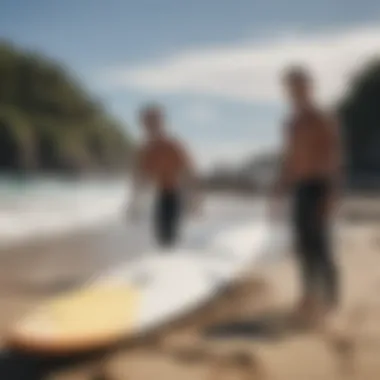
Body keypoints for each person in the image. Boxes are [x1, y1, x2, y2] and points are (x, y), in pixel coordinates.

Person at [271, 66, 343, 321]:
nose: (295, 92)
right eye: (291, 87)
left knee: (320, 244)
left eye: (299, 86)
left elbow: (333, 157)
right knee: (302, 245)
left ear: (309, 87)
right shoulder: (291, 123)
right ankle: (308, 295)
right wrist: (279, 189)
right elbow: (289, 159)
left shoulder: (322, 118)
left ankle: (331, 297)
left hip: (319, 185)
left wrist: (332, 194)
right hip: (300, 187)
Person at [128, 104, 200, 247]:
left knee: (168, 238)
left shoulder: (171, 146)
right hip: (160, 195)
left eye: (151, 122)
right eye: (146, 123)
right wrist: (134, 204)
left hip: (175, 195)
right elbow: (139, 177)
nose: (148, 127)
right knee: (162, 239)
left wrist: (194, 199)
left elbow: (189, 172)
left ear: (160, 123)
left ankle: (175, 263)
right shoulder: (146, 150)